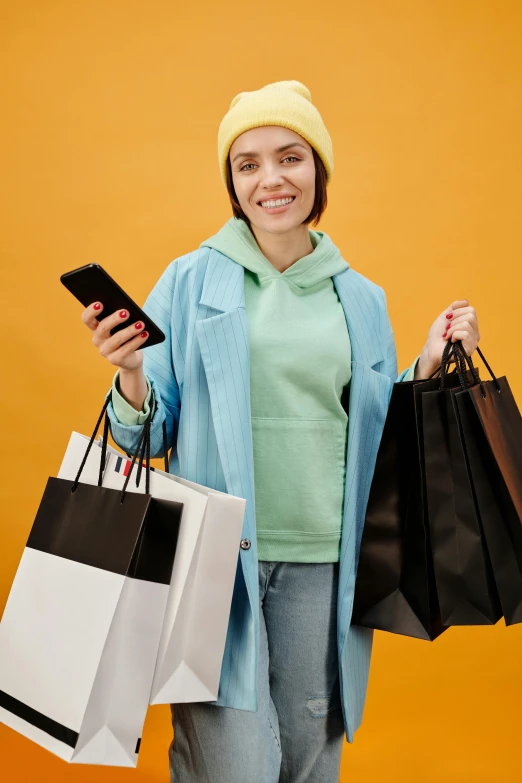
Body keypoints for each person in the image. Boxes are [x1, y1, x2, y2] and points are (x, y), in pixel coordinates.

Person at [80, 80, 480, 783]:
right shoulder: (190, 279)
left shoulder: (359, 297)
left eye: (289, 156)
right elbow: (147, 437)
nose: (271, 179)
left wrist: (425, 365)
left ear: (318, 169)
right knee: (231, 766)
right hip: (211, 565)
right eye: (248, 164)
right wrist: (133, 373)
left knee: (305, 761)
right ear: (232, 185)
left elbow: (377, 439)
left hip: (324, 564)